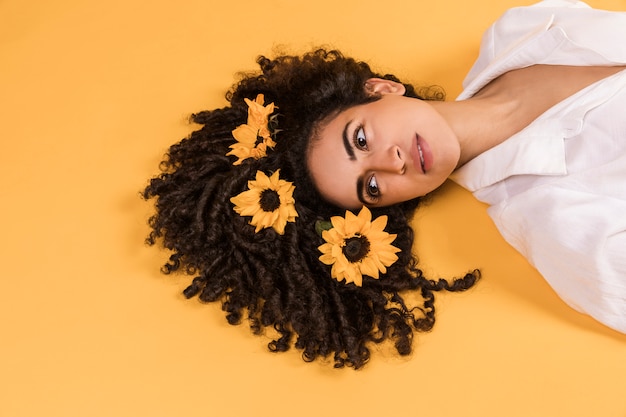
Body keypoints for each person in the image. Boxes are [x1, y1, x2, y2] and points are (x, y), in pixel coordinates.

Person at [143, 0, 625, 369]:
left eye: (361, 138)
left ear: (380, 89)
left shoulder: (521, 30)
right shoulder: (551, 219)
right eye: (370, 187)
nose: (390, 165)